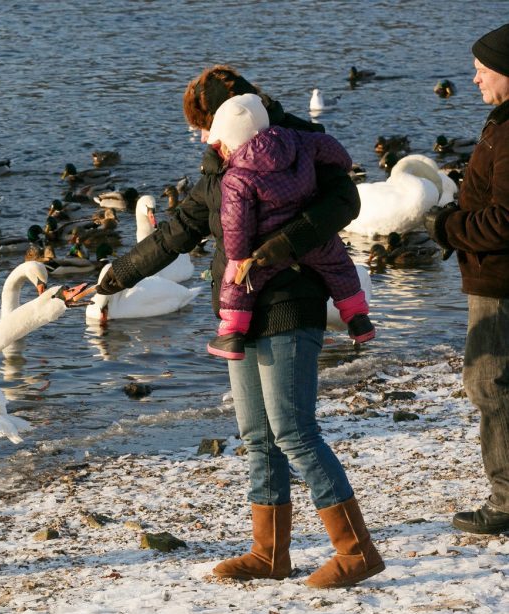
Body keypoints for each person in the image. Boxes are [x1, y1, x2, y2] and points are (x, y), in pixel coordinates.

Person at [96, 65, 384, 587]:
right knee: (257, 436)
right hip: (237, 311)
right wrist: (112, 278)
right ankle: (269, 553)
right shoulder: (219, 162)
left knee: (294, 430)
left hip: (289, 301)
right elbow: (180, 229)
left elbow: (345, 203)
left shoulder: (304, 144)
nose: (199, 137)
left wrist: (281, 247)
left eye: (201, 124)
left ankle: (356, 550)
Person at [205, 93, 373, 359]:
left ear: (230, 143)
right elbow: (333, 149)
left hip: (266, 248)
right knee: (339, 266)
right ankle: (358, 319)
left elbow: (236, 224)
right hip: (309, 238)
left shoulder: (237, 177)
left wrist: (238, 258)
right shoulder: (298, 140)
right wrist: (342, 165)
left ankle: (231, 334)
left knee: (238, 282)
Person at [425, 23, 509, 535]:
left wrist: (447, 227)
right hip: (495, 276)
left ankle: (505, 502)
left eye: (482, 70)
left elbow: (504, 221)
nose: (474, 79)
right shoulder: (500, 123)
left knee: (489, 385)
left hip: (498, 281)